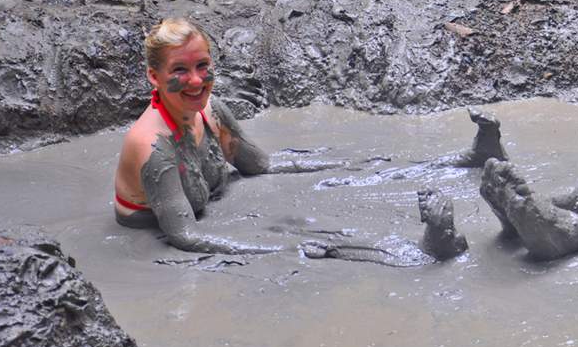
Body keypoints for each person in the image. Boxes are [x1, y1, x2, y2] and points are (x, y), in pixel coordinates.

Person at [112, 17, 503, 257]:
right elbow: (185, 236)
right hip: (173, 229)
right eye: (181, 70)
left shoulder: (212, 112)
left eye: (203, 66)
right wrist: (283, 249)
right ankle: (413, 252)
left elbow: (262, 165)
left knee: (350, 175)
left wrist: (352, 164)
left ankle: (463, 159)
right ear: (154, 77)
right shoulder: (151, 147)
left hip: (218, 202)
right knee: (313, 241)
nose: (197, 80)